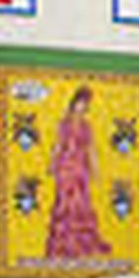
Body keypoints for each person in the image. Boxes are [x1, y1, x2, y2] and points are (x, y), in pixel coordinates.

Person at [44, 86, 111, 260]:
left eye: (84, 105)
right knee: (65, 203)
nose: (81, 108)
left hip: (80, 167)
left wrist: (95, 168)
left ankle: (80, 244)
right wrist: (52, 164)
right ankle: (63, 245)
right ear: (73, 104)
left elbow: (90, 149)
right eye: (79, 104)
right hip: (66, 165)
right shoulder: (64, 124)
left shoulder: (86, 126)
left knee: (81, 203)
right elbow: (58, 145)